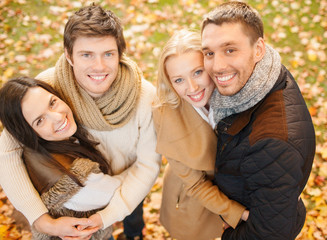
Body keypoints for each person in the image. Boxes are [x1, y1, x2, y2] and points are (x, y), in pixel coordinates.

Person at [0, 5, 161, 240]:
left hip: (129, 186)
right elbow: (7, 151)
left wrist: (108, 215)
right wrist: (41, 220)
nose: (99, 67)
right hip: (80, 188)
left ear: (120, 52)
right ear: (69, 55)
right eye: (86, 55)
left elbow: (147, 166)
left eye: (108, 54)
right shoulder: (48, 88)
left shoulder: (145, 96)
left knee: (133, 219)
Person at [200, 2, 315, 239]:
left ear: (259, 49)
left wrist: (227, 235)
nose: (217, 66)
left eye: (230, 49)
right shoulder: (266, 74)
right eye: (209, 53)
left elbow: (268, 234)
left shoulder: (272, 144)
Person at [153, 29, 248, 240]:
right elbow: (196, 184)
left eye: (197, 72)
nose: (193, 87)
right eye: (179, 80)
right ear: (169, 82)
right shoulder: (166, 117)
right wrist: (238, 213)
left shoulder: (235, 93)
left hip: (237, 189)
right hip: (192, 196)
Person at [0, 77, 123, 239]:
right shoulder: (70, 179)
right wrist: (139, 167)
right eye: (40, 120)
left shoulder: (51, 142)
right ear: (27, 133)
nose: (57, 117)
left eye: (52, 103)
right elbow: (118, 192)